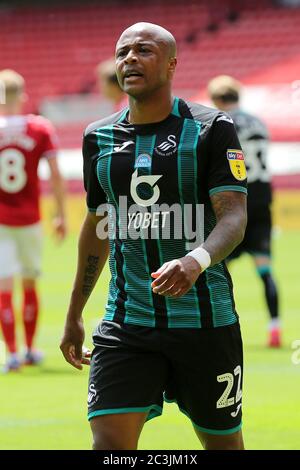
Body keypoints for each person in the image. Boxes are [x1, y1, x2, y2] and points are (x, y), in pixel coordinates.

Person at [60, 23, 247, 450]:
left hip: (206, 324)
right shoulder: (98, 137)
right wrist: (74, 312)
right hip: (126, 323)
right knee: (109, 445)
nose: (129, 59)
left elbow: (234, 217)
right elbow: (98, 224)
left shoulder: (211, 128)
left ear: (172, 64)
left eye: (143, 50)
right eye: (122, 51)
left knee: (223, 445)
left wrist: (195, 260)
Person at [0, 69, 66, 372]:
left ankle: (11, 354)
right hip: (29, 219)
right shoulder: (39, 128)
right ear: (22, 95)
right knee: (29, 283)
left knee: (4, 287)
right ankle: (29, 349)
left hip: (1, 221)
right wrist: (61, 214)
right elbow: (54, 173)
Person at [207, 75, 281, 348]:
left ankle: (217, 327)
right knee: (265, 270)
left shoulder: (222, 124)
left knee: (217, 268)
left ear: (216, 99)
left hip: (236, 202)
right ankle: (275, 327)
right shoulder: (259, 122)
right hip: (263, 201)